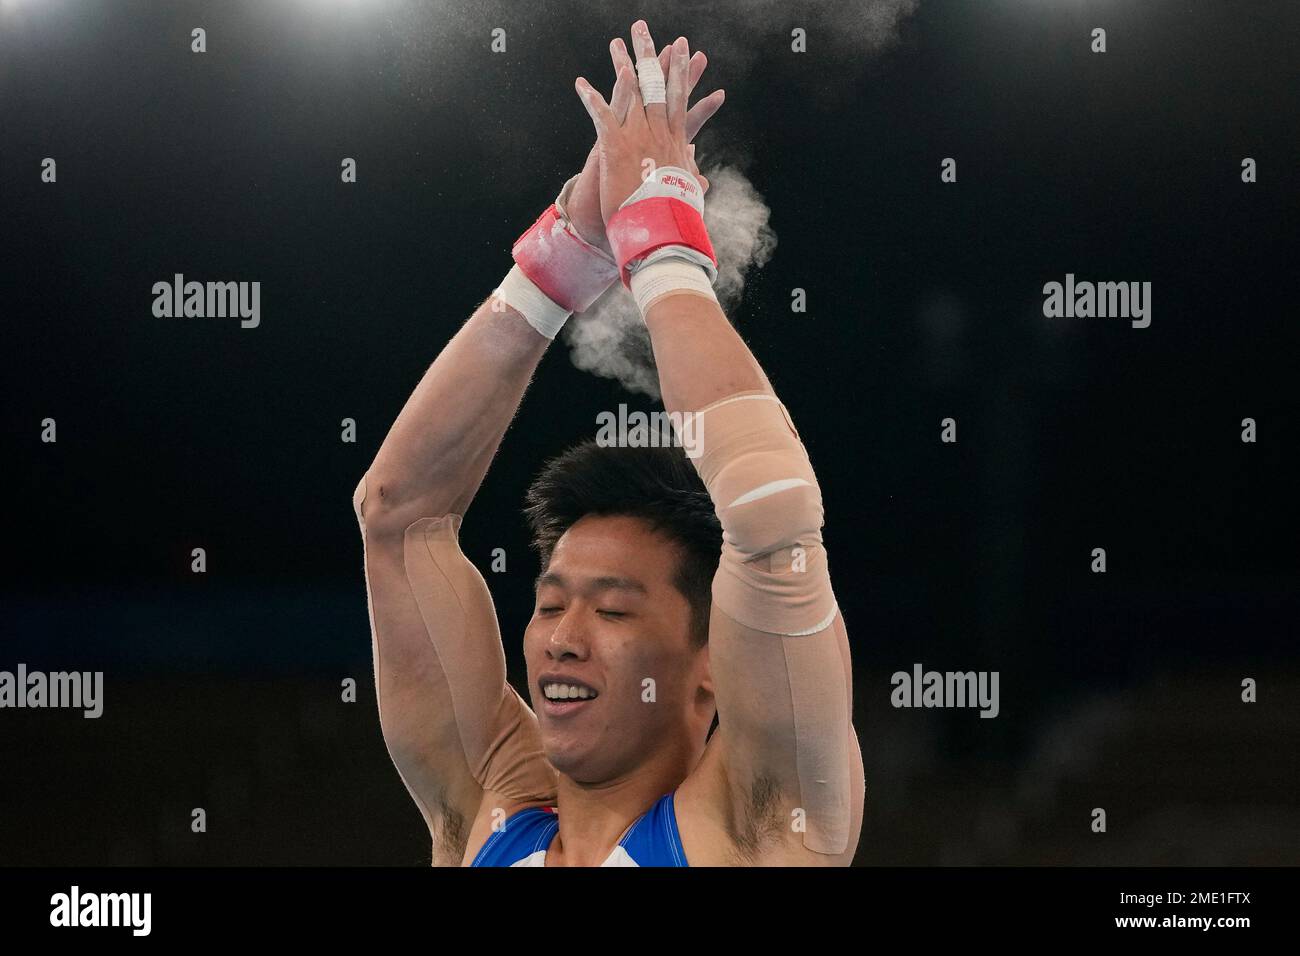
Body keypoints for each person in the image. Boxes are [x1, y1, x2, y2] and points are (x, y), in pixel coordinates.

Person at [352, 20, 864, 866]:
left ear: (710, 666)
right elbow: (398, 514)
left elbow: (772, 512)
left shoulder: (759, 828)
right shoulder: (486, 811)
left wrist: (663, 245)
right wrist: (558, 265)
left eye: (615, 608)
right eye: (552, 603)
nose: (562, 636)